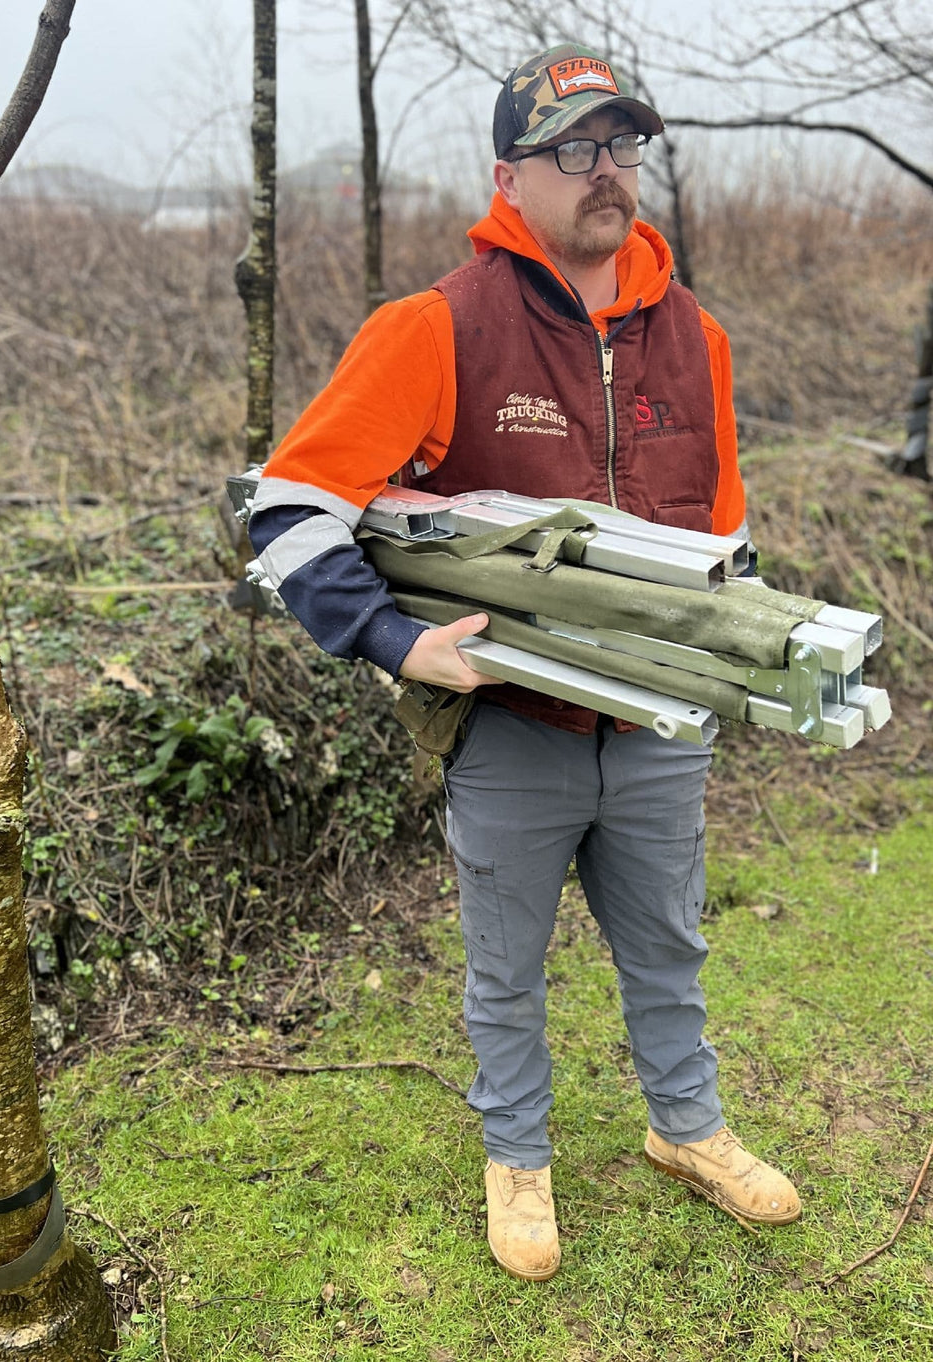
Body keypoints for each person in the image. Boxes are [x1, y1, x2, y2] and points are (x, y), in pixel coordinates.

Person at [247, 42, 801, 1281]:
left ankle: (688, 1129)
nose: (606, 173)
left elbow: (725, 536)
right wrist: (394, 641)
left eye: (622, 146)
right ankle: (519, 1156)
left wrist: (742, 667)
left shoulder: (694, 336)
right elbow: (286, 511)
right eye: (574, 151)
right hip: (511, 727)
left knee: (666, 943)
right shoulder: (435, 326)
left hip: (657, 728)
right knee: (506, 968)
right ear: (512, 174)